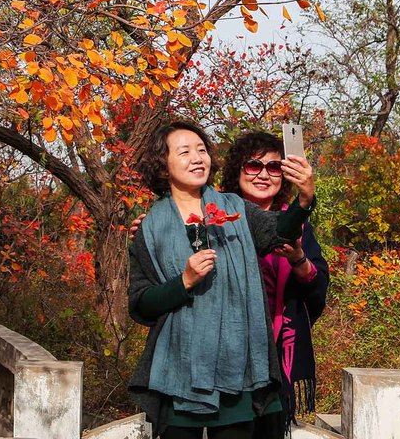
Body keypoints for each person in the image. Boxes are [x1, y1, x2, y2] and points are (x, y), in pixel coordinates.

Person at [128, 120, 316, 439]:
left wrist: (304, 199)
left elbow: (279, 232)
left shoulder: (235, 209)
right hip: (179, 374)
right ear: (164, 164)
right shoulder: (150, 227)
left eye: (202, 150)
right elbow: (141, 305)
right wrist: (184, 281)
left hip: (239, 372)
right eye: (184, 151)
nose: (197, 157)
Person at [221, 131, 329, 430]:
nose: (263, 175)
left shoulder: (297, 224)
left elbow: (317, 290)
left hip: (276, 353)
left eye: (274, 167)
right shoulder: (216, 218)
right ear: (237, 171)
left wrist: (296, 258)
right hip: (224, 354)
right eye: (253, 165)